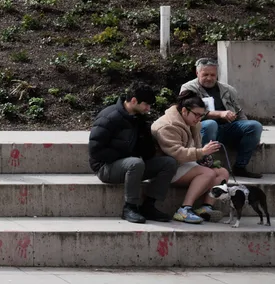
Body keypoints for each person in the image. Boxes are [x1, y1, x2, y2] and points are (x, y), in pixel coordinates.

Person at [87, 84, 176, 223]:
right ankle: (130, 207)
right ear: (134, 101)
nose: (148, 109)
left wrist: (147, 140)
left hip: (132, 164)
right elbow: (95, 150)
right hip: (105, 167)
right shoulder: (109, 117)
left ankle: (148, 206)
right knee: (135, 163)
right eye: (146, 105)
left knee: (169, 163)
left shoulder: (139, 118)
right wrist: (125, 154)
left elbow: (147, 152)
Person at [152, 91, 229, 224]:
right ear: (184, 110)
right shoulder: (167, 126)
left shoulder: (193, 123)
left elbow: (195, 148)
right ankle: (184, 210)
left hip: (184, 164)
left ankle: (206, 208)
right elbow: (176, 153)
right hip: (167, 167)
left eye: (201, 115)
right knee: (208, 173)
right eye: (196, 115)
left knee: (222, 172)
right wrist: (201, 152)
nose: (199, 118)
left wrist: (203, 157)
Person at [180, 57, 263, 178]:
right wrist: (219, 114)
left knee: (255, 126)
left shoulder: (228, 89)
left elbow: (239, 113)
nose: (209, 78)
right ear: (197, 73)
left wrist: (254, 135)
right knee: (210, 124)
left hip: (227, 128)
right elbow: (187, 112)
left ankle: (240, 166)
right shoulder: (188, 89)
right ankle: (204, 164)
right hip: (201, 130)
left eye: (213, 75)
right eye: (205, 74)